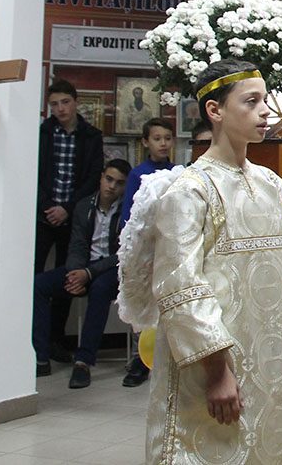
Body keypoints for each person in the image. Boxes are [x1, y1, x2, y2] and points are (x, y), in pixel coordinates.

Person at [118, 59, 282, 463]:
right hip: (210, 366)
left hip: (266, 358)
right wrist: (217, 370)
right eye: (251, 102)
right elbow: (181, 284)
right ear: (215, 110)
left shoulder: (271, 184)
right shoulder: (190, 190)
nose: (265, 111)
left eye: (265, 100)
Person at [33, 158, 130, 386]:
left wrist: (88, 273)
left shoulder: (128, 211)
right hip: (84, 268)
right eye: (109, 179)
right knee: (39, 285)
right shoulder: (84, 206)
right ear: (101, 177)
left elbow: (122, 254)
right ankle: (40, 357)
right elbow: (76, 245)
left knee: (100, 289)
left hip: (111, 271)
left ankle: (83, 361)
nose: (111, 186)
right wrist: (75, 273)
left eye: (119, 183)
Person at [37, 78, 104, 363]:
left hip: (74, 216)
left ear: (76, 102)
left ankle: (56, 338)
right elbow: (34, 172)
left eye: (65, 102)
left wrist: (67, 208)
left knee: (68, 275)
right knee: (34, 276)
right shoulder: (43, 133)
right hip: (43, 215)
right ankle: (34, 341)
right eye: (54, 104)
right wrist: (48, 207)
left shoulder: (91, 136)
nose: (60, 109)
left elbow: (92, 178)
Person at [118, 117, 176, 388]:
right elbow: (130, 215)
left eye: (167, 138)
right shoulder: (137, 174)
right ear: (145, 142)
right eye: (157, 138)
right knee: (144, 304)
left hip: (169, 246)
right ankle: (140, 362)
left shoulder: (178, 172)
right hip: (146, 248)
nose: (163, 143)